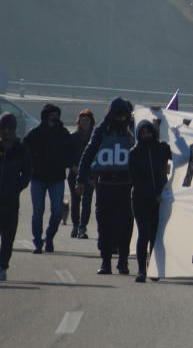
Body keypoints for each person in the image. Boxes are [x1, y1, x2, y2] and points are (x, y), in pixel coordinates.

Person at [78, 98, 137, 275]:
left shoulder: (133, 129)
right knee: (104, 225)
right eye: (118, 115)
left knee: (126, 225)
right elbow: (88, 154)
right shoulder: (102, 130)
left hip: (127, 185)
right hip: (105, 185)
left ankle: (123, 261)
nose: (121, 118)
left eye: (123, 115)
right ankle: (105, 262)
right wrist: (80, 179)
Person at [23, 103, 74, 253]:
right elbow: (24, 150)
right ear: (44, 116)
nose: (54, 118)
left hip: (57, 178)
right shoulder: (35, 133)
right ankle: (37, 242)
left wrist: (67, 164)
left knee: (58, 211)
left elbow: (71, 152)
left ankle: (50, 237)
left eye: (56, 115)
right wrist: (29, 166)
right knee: (38, 212)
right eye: (51, 115)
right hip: (38, 178)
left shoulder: (64, 133)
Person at [129, 120, 171, 283]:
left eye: (149, 132)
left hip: (159, 199)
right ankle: (141, 270)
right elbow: (135, 179)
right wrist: (152, 194)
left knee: (155, 235)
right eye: (143, 133)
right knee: (144, 233)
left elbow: (182, 155)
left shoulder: (161, 149)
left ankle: (153, 267)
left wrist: (177, 135)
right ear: (139, 134)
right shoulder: (134, 152)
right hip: (140, 198)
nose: (146, 135)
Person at [0, 113, 31, 281]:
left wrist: (16, 187)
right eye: (3, 128)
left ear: (14, 129)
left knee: (8, 237)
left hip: (11, 200)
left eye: (9, 128)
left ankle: (3, 266)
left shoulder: (21, 149)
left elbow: (26, 173)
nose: (6, 132)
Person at [68, 109, 96, 239]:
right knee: (75, 200)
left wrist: (93, 176)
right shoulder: (73, 137)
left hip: (90, 175)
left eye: (87, 120)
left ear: (91, 122)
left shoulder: (95, 138)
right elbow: (67, 155)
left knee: (87, 202)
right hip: (74, 174)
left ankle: (82, 227)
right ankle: (75, 225)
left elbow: (97, 158)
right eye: (82, 120)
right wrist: (73, 166)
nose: (85, 123)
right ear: (78, 122)